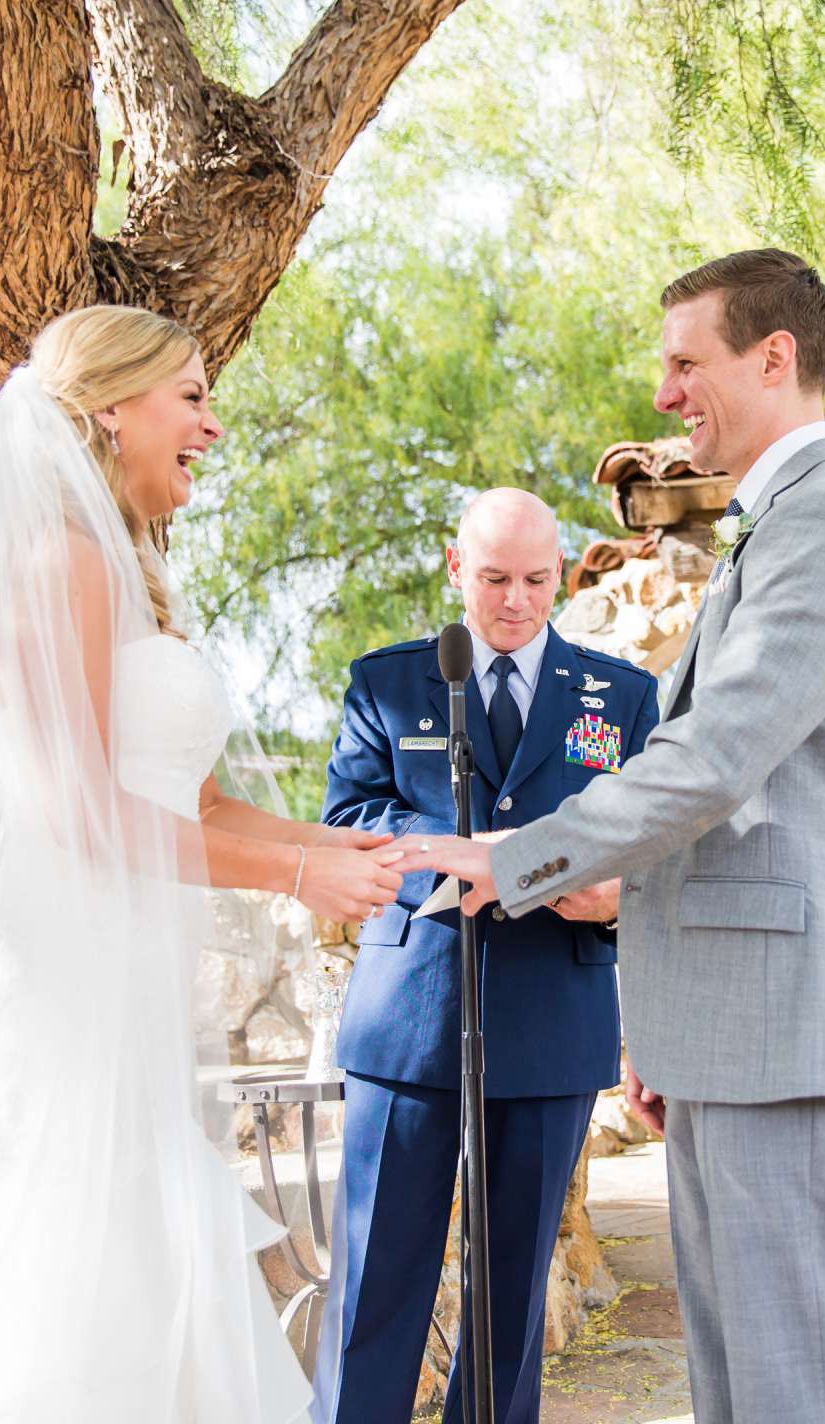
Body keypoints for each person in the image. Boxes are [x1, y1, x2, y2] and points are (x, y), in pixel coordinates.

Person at [0, 306, 403, 1424]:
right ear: (111, 410)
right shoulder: (58, 558)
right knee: (70, 1256)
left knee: (139, 1237)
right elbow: (81, 817)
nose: (212, 427)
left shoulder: (132, 566)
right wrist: (297, 883)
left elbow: (195, 797)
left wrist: (331, 843)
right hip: (59, 973)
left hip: (127, 967)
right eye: (193, 399)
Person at [418, 248, 825, 1424]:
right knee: (738, 1389)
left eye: (686, 362)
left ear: (774, 358)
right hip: (739, 1027)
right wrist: (668, 1015)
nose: (663, 393)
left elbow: (714, 760)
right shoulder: (784, 521)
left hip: (791, 1032)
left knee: (793, 1386)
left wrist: (517, 858)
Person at [312, 488, 656, 1424]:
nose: (516, 601)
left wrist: (602, 892)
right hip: (410, 1025)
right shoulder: (388, 683)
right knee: (375, 1290)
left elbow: (657, 850)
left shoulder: (622, 698)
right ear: (457, 567)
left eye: (537, 580)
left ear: (564, 574)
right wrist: (468, 857)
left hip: (552, 1021)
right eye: (495, 578)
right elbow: (346, 821)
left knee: (509, 1306)